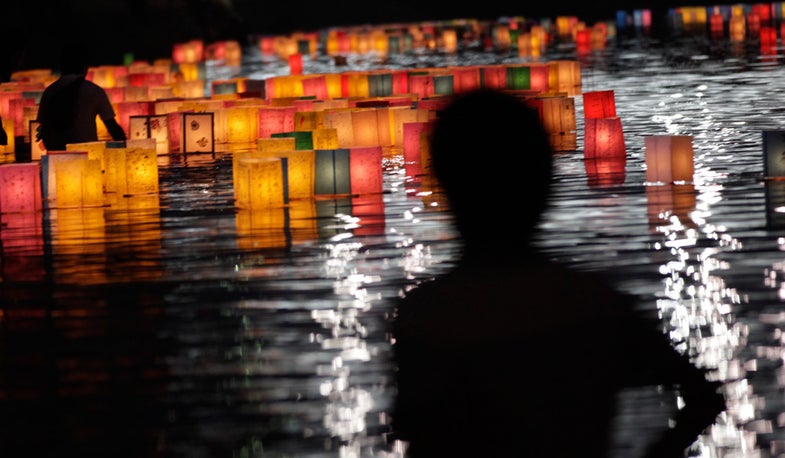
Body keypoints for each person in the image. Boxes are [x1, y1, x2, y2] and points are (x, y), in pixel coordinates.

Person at [391, 88, 726, 457]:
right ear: (546, 182)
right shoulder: (593, 303)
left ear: (440, 183)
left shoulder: (426, 315)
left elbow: (412, 427)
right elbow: (702, 398)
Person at [36, 42, 126, 151]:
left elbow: (44, 130)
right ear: (85, 67)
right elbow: (112, 127)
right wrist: (126, 150)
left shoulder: (49, 92)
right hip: (89, 157)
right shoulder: (94, 91)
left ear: (61, 67)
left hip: (57, 159)